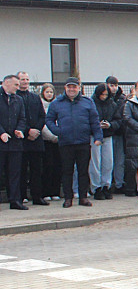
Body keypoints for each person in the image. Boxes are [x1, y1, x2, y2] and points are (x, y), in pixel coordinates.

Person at [45, 77, 101, 207]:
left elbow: (94, 120)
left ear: (79, 88)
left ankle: (83, 197)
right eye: (69, 87)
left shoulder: (88, 102)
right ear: (65, 88)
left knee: (83, 171)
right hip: (66, 143)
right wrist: (57, 131)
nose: (71, 89)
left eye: (74, 87)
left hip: (83, 142)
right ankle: (68, 198)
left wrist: (98, 137)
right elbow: (49, 120)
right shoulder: (57, 103)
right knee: (67, 171)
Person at [16, 72, 47, 205]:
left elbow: (42, 116)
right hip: (21, 139)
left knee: (36, 170)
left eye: (27, 79)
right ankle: (22, 196)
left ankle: (37, 196)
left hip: (36, 140)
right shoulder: (15, 97)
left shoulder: (35, 97)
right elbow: (17, 118)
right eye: (22, 79)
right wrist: (28, 131)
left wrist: (37, 130)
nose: (25, 82)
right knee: (21, 170)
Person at [0, 74, 28, 209]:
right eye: (16, 85)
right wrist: (1, 133)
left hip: (15, 142)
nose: (18, 87)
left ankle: (15, 200)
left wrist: (19, 129)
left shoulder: (18, 100)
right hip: (1, 141)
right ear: (6, 83)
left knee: (15, 173)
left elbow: (23, 118)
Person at [89, 83, 120, 199]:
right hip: (95, 135)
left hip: (108, 135)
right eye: (102, 95)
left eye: (106, 95)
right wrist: (96, 126)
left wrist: (110, 125)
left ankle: (106, 185)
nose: (104, 97)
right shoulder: (92, 104)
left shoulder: (112, 104)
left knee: (108, 162)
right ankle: (96, 187)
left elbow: (118, 120)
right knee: (95, 163)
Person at [38, 83, 62, 201]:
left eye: (51, 92)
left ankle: (55, 191)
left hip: (57, 140)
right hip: (46, 140)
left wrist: (57, 135)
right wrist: (50, 136)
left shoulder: (57, 105)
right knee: (48, 166)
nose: (49, 94)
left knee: (58, 166)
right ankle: (45, 192)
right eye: (47, 92)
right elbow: (43, 123)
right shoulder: (40, 105)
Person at [106, 76, 127, 192]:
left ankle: (119, 183)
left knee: (119, 160)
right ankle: (108, 184)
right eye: (111, 85)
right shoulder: (103, 98)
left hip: (119, 132)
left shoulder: (122, 99)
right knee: (107, 161)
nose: (113, 88)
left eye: (115, 85)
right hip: (107, 133)